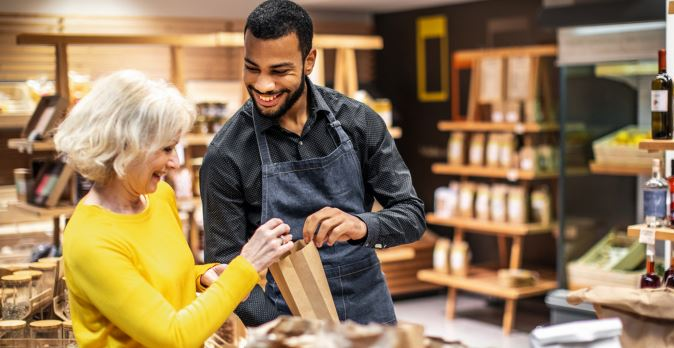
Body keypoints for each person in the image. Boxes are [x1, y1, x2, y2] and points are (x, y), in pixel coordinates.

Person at [201, 0, 426, 326]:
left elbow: (411, 216)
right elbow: (224, 268)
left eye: (279, 71)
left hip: (370, 311)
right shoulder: (228, 155)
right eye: (252, 68)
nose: (263, 85)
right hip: (287, 317)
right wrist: (281, 327)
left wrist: (361, 226)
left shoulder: (358, 123)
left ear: (309, 61)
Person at [54, 70, 294, 347]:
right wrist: (247, 265)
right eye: (166, 149)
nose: (175, 163)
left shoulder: (158, 198)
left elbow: (156, 283)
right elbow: (174, 336)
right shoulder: (90, 241)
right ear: (123, 148)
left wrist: (201, 277)